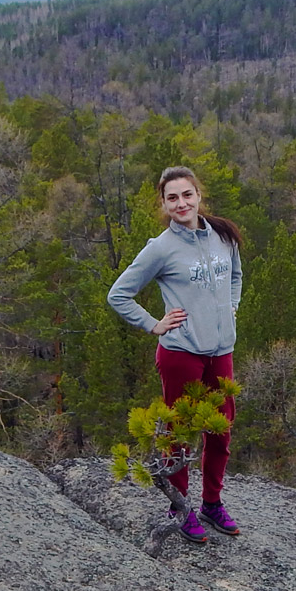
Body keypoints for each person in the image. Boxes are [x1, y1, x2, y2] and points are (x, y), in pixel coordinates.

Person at [108, 166, 243, 543]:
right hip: (181, 352)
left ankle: (212, 503)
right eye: (172, 198)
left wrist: (230, 307)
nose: (181, 203)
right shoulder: (161, 248)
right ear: (164, 205)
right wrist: (153, 324)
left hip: (221, 351)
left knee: (220, 431)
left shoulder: (222, 235)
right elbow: (119, 294)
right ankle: (180, 508)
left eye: (187, 195)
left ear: (199, 195)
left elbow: (235, 276)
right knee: (178, 434)